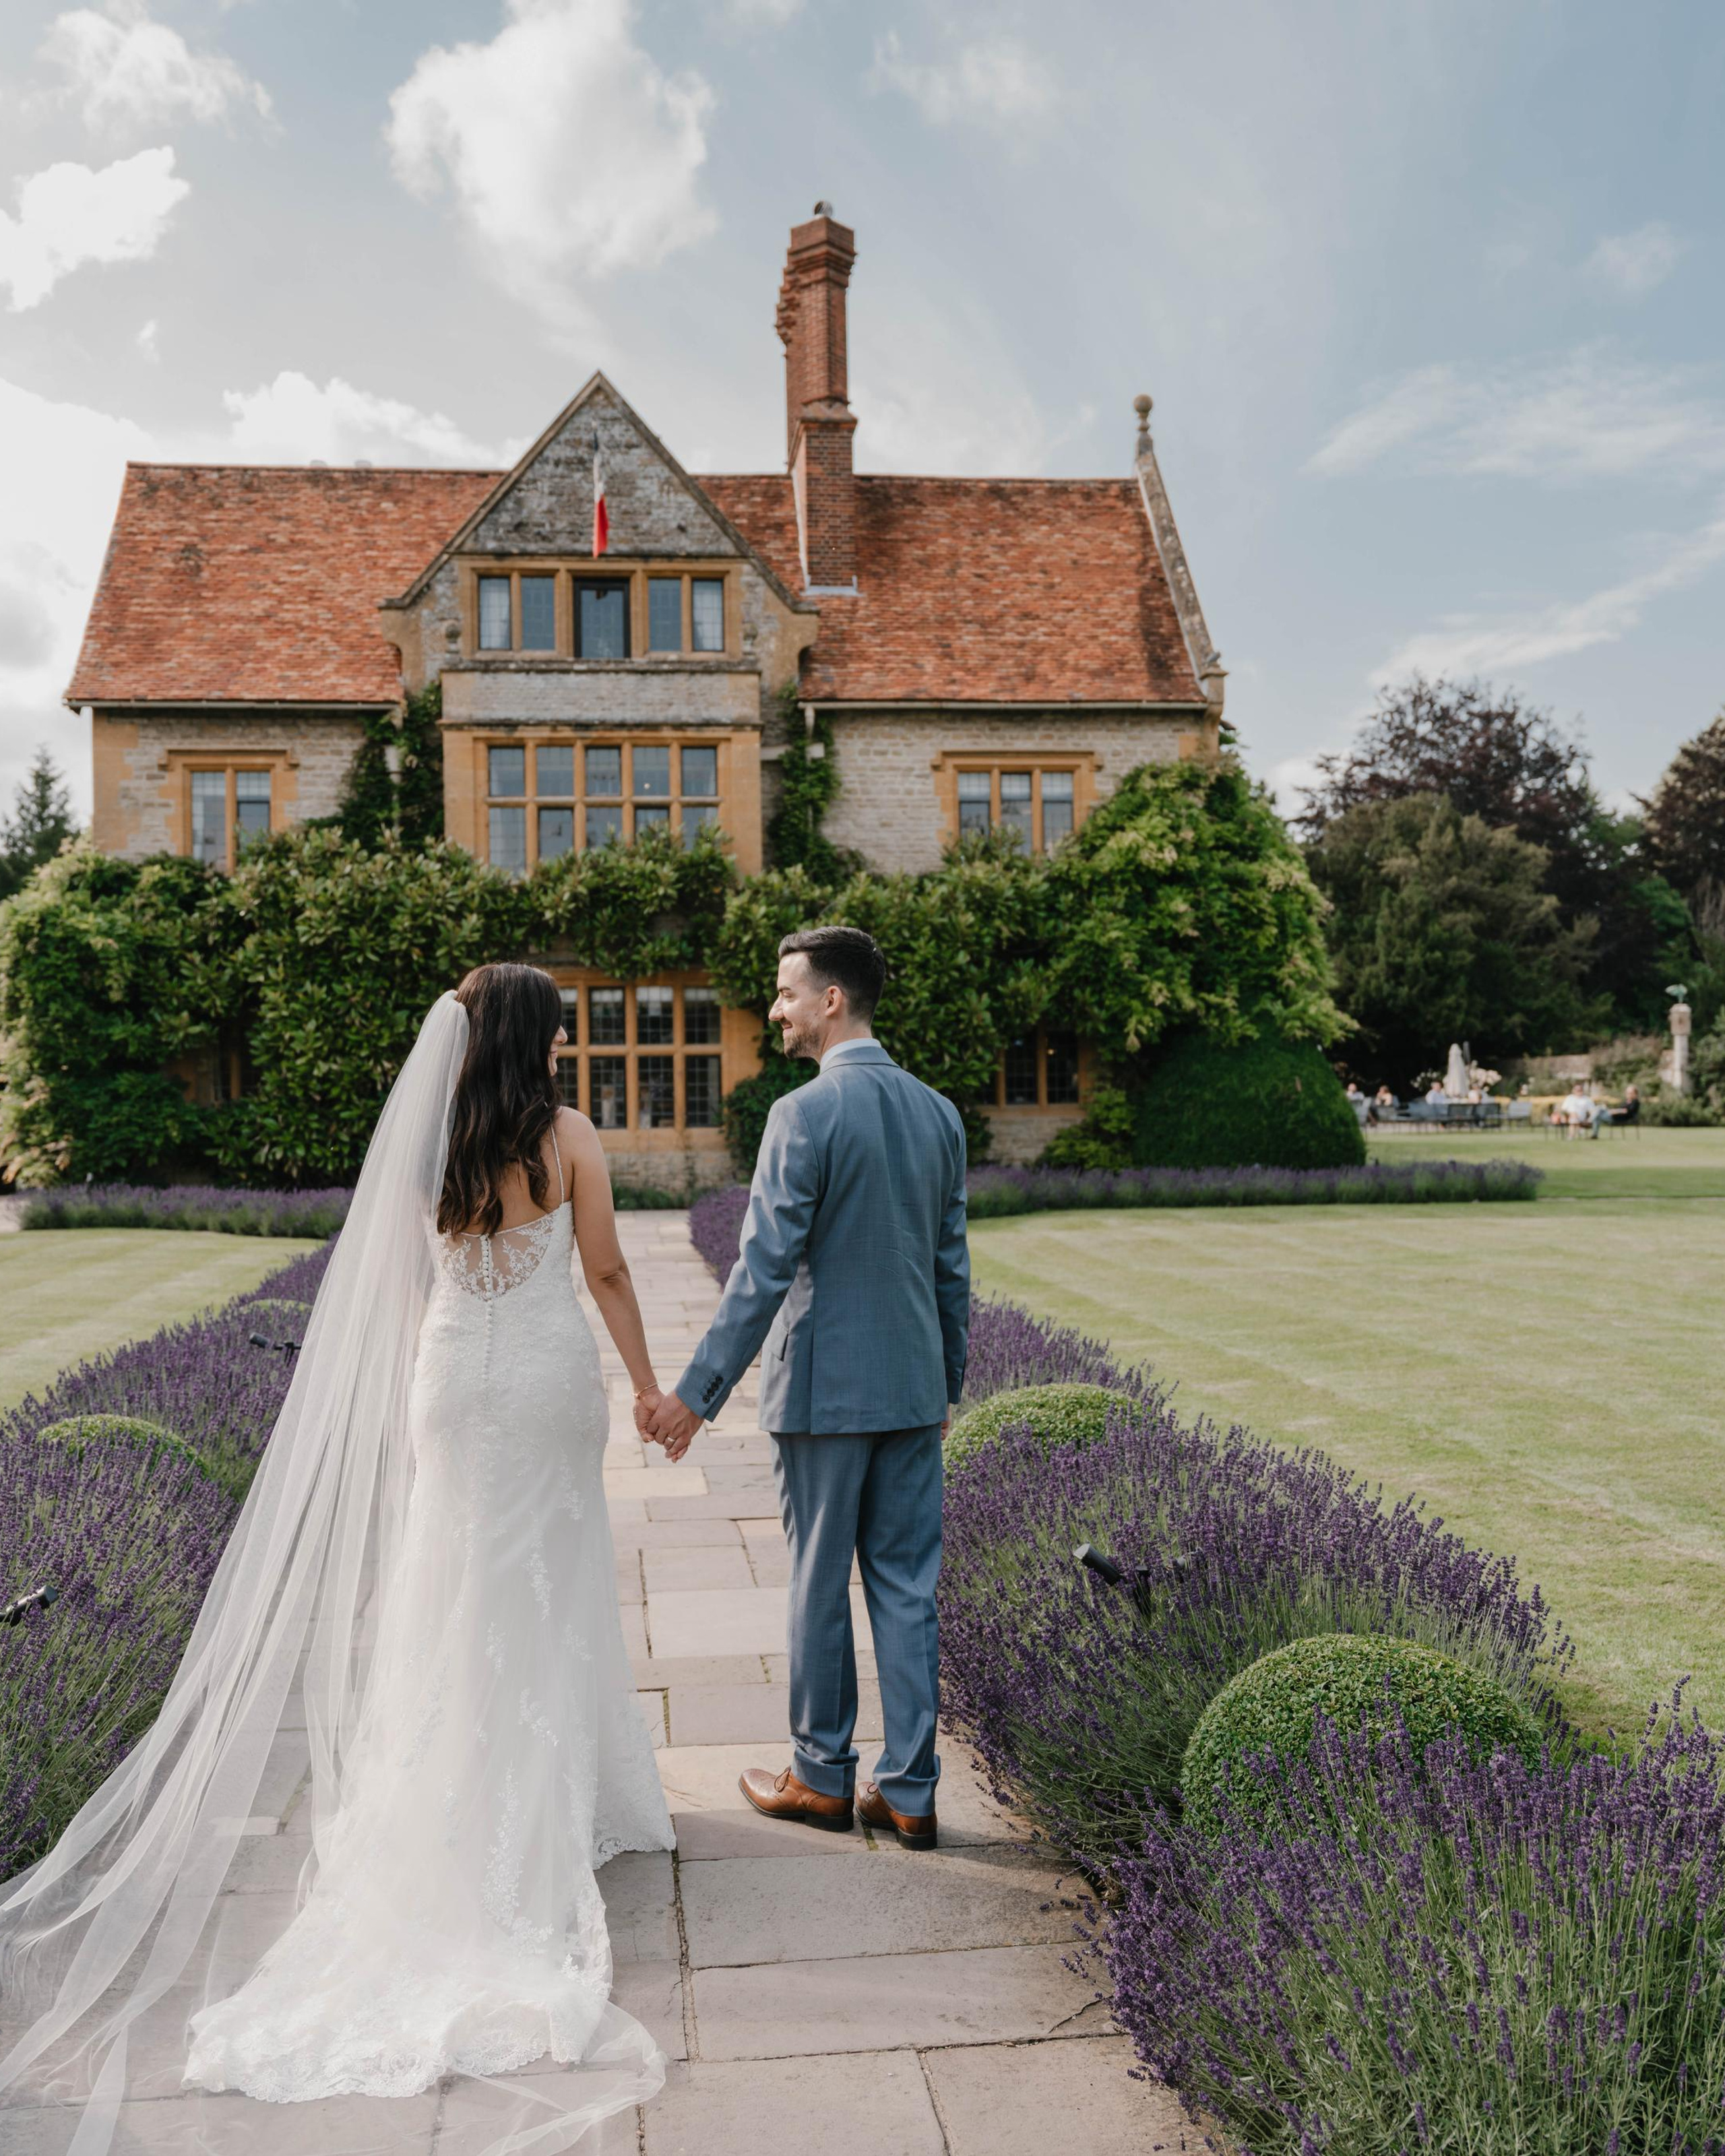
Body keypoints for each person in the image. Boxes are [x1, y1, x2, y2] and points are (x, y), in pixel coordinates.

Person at [0, 965, 674, 2153]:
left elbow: (409, 1286)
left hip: (451, 1383)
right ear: (542, 1036)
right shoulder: (564, 1135)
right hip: (542, 1383)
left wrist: (428, 1393)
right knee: (546, 1586)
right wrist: (651, 1386)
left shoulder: (437, 1139)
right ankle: (545, 1804)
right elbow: (607, 1271)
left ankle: (456, 1779)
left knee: (453, 1587)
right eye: (560, 1025)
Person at [650, 926, 968, 1853]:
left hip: (827, 1394)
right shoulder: (940, 1113)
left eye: (787, 993)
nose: (777, 1009)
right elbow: (952, 1268)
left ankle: (821, 1778)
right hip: (913, 1390)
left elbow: (761, 1270)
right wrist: (946, 1379)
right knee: (908, 1590)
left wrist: (694, 1396)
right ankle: (909, 1792)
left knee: (820, 1583)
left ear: (832, 1001)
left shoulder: (803, 1115)